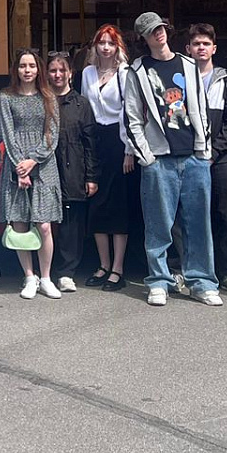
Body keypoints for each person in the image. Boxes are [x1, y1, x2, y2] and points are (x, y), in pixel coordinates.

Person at [126, 12, 222, 308]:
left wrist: (204, 152)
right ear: (144, 37)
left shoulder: (188, 64)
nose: (160, 34)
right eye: (153, 31)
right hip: (159, 159)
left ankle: (201, 281)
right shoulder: (137, 70)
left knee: (198, 223)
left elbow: (201, 109)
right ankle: (159, 280)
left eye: (162, 28)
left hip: (193, 156)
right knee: (158, 225)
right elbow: (131, 117)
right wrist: (147, 157)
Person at [0, 49, 63, 299]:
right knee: (20, 224)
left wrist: (33, 161)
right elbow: (8, 133)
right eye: (23, 66)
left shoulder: (48, 96)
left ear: (39, 69)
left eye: (32, 66)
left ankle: (46, 277)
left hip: (43, 165)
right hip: (17, 166)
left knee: (44, 225)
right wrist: (20, 167)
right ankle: (29, 276)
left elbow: (52, 134)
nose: (27, 70)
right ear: (16, 69)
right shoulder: (6, 97)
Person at [188, 23, 227, 296]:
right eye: (196, 44)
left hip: (219, 159)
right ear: (188, 49)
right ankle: (190, 270)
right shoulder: (180, 77)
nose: (201, 48)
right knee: (189, 216)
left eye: (205, 44)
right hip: (188, 158)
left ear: (214, 48)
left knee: (224, 215)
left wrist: (213, 153)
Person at [80, 24, 134, 291]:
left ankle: (118, 269)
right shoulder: (88, 73)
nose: (105, 47)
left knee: (118, 205)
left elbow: (128, 111)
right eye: (101, 42)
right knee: (97, 204)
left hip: (118, 140)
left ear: (117, 48)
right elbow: (83, 108)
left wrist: (128, 150)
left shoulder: (124, 73)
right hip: (94, 140)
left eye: (110, 43)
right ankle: (102, 265)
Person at [46, 51, 97, 294]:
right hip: (47, 170)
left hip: (74, 168)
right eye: (53, 70)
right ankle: (43, 271)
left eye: (61, 70)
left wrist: (91, 176)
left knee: (71, 224)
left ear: (70, 73)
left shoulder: (81, 104)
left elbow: (90, 142)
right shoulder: (42, 101)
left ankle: (66, 273)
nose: (57, 75)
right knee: (45, 222)